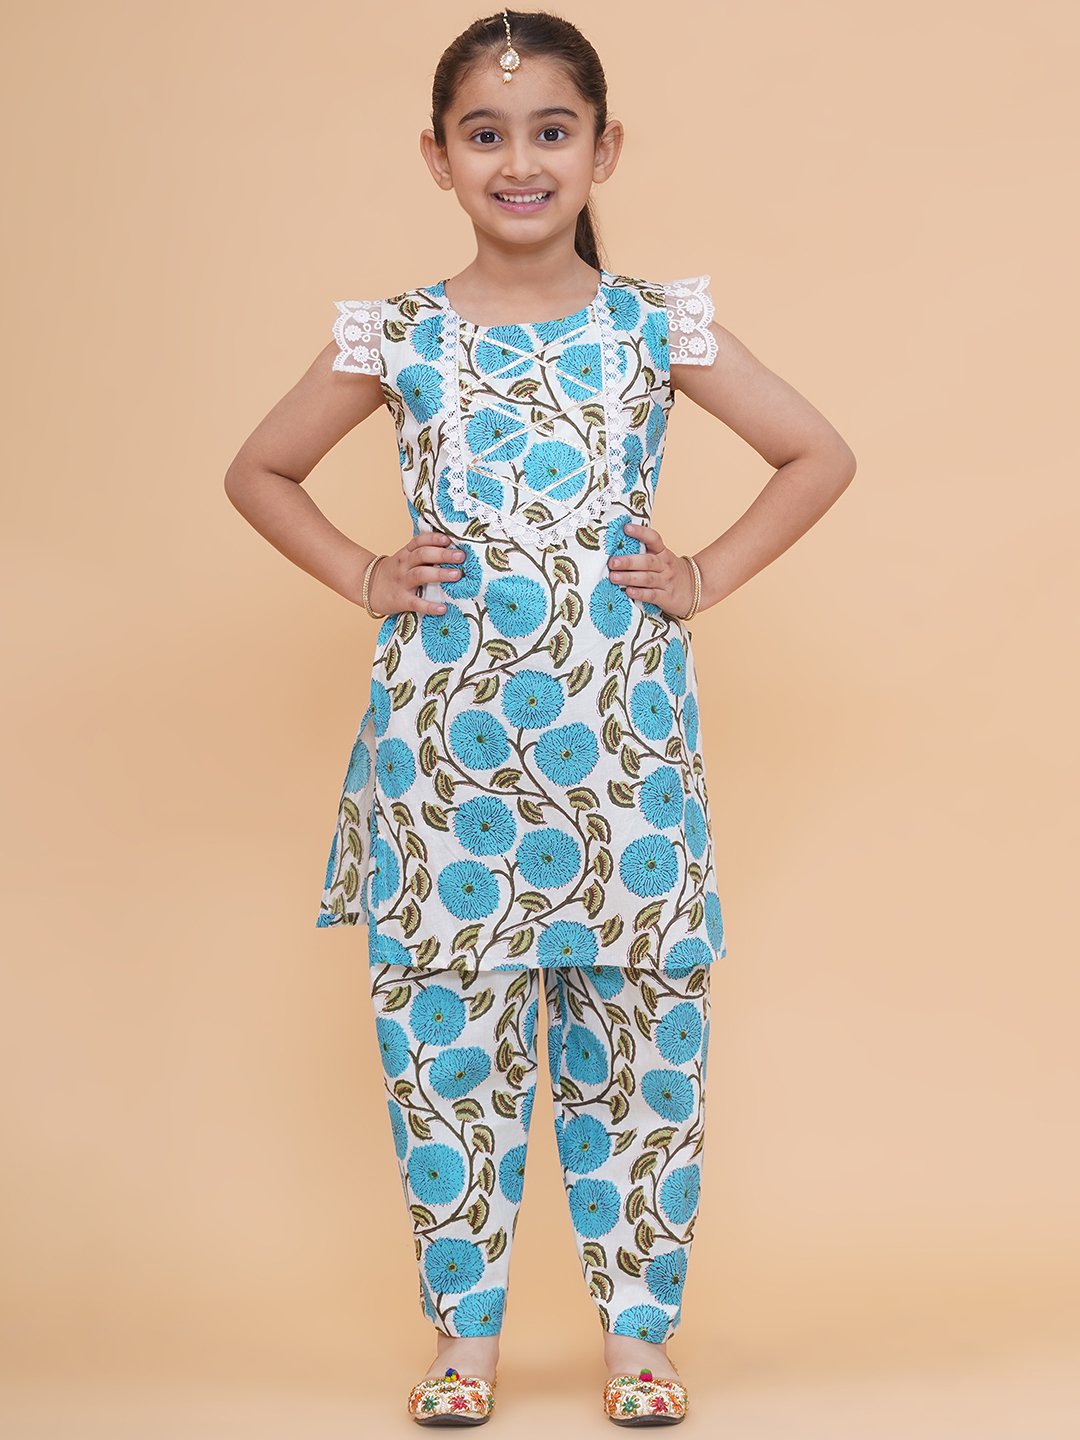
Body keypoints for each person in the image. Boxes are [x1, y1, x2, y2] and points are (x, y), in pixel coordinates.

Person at [224, 7, 856, 1426]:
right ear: (438, 157)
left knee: (642, 1049)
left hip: (623, 758)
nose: (520, 160)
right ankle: (465, 1347)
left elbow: (817, 453)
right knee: (445, 1049)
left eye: (551, 131)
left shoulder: (653, 325)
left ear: (603, 148)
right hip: (445, 764)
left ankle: (639, 1343)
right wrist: (366, 575)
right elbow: (259, 470)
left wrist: (701, 576)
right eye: (486, 134)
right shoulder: (397, 334)